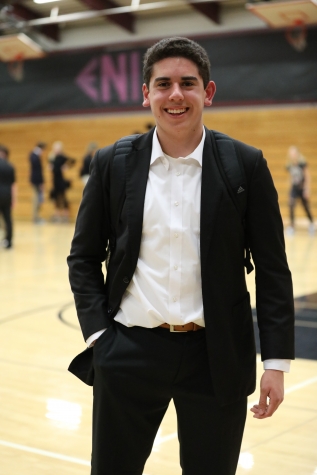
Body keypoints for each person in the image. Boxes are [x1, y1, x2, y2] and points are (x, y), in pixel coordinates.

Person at [67, 37, 295, 475]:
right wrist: (99, 336)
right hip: (129, 349)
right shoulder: (112, 163)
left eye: (188, 84)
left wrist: (276, 363)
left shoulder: (245, 165)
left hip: (217, 356)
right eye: (163, 84)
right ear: (146, 94)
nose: (175, 95)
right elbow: (83, 257)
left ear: (207, 93)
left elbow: (272, 269)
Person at [286, 145, 315, 236]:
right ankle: (292, 226)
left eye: (293, 153)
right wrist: (289, 191)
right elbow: (291, 178)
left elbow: (307, 176)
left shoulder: (302, 164)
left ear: (297, 154)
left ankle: (311, 224)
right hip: (294, 189)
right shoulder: (290, 165)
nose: (292, 155)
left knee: (305, 207)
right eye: (291, 153)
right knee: (291, 206)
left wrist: (307, 189)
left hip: (302, 188)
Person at [48, 141, 75, 222]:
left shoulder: (62, 157)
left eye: (56, 149)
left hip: (61, 180)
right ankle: (57, 215)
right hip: (55, 180)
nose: (55, 150)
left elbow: (73, 161)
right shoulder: (52, 157)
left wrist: (66, 166)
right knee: (55, 198)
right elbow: (50, 165)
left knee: (63, 197)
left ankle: (66, 215)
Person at [0, 145, 16, 249]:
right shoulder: (10, 166)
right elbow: (13, 185)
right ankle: (8, 241)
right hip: (7, 196)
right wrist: (14, 199)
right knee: (8, 219)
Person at [29, 141, 46, 223]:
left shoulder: (34, 155)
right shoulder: (34, 156)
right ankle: (36, 218)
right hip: (37, 181)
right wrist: (41, 182)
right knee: (37, 199)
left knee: (39, 199)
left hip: (37, 180)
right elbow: (37, 171)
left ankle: (37, 217)